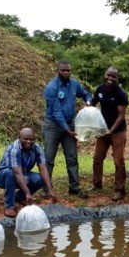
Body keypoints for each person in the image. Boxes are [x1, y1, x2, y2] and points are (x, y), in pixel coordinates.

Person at [43, 61, 92, 198]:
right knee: (49, 158)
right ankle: (47, 189)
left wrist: (88, 102)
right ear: (57, 71)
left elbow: (86, 94)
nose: (66, 73)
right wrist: (67, 130)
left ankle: (74, 188)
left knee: (72, 157)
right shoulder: (51, 88)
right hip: (53, 126)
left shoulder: (74, 84)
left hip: (70, 125)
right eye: (63, 70)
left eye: (68, 70)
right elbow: (56, 112)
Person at [0, 128, 57, 218]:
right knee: (10, 173)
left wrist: (50, 189)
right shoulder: (14, 149)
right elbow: (17, 173)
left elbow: (43, 169)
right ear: (19, 138)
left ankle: (20, 197)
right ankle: (9, 205)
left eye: (31, 139)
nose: (28, 142)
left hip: (23, 173)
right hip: (3, 176)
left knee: (40, 179)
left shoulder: (37, 148)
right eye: (25, 139)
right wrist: (28, 193)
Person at [91, 67, 129, 201]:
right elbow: (93, 103)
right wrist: (88, 108)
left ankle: (120, 190)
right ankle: (97, 184)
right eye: (109, 75)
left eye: (114, 76)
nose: (111, 78)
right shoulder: (100, 89)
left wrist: (111, 130)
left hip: (117, 131)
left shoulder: (121, 94)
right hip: (103, 129)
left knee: (118, 160)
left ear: (117, 78)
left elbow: (121, 116)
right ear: (104, 75)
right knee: (97, 157)